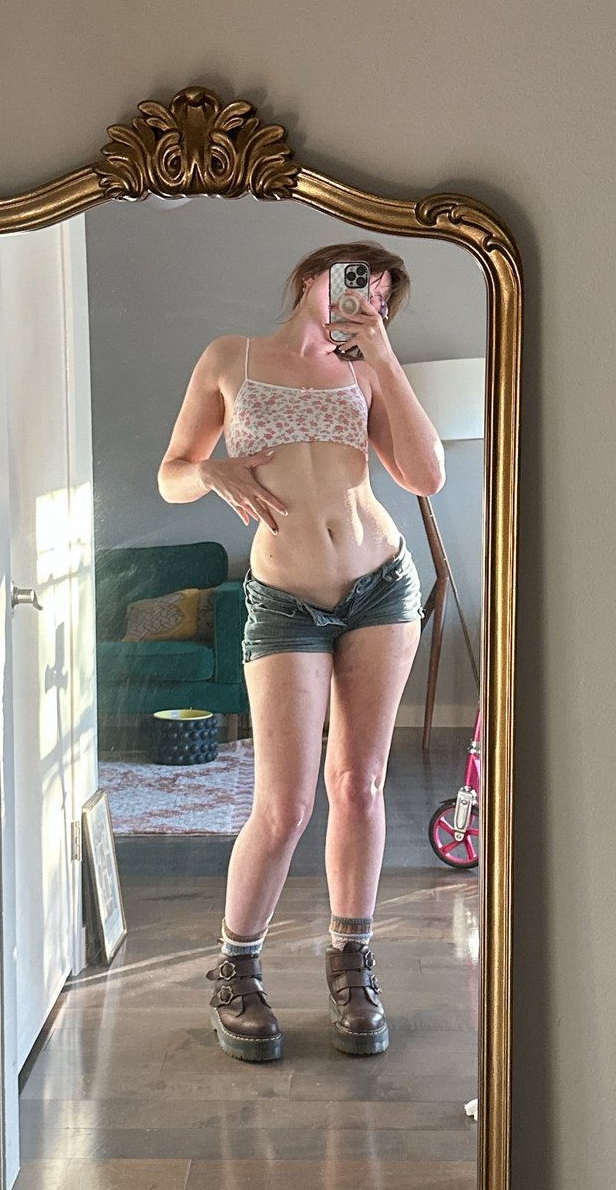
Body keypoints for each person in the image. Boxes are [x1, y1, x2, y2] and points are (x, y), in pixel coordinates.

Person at [157, 241, 445, 1061]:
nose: (364, 300)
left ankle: (352, 963)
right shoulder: (231, 358)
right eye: (354, 280)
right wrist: (212, 473)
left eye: (379, 295)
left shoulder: (367, 369)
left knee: (359, 785)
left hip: (379, 588)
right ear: (314, 275)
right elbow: (171, 473)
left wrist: (383, 358)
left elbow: (425, 476)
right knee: (284, 806)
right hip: (284, 600)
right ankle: (235, 970)